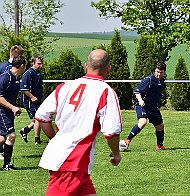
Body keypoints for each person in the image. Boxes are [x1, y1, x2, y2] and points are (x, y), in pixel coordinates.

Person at [35, 49, 122, 195]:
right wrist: (116, 153)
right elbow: (111, 132)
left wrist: (55, 139)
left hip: (69, 160)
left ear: (85, 66)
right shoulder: (105, 91)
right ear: (109, 68)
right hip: (73, 161)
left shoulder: (64, 86)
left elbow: (42, 116)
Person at [122, 62, 167, 151]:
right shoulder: (148, 80)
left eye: (161, 72)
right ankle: (127, 140)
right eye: (157, 72)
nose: (158, 74)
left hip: (152, 106)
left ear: (164, 72)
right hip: (142, 105)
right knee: (143, 122)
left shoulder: (162, 80)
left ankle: (159, 145)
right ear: (154, 71)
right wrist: (140, 100)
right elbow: (137, 91)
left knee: (160, 126)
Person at [0, 56, 26, 170]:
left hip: (7, 111)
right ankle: (6, 165)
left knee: (1, 138)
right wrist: (12, 108)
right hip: (2, 111)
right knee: (11, 135)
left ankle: (6, 164)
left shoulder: (16, 78)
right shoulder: (6, 77)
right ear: (22, 66)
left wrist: (14, 108)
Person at [19, 55, 44, 145]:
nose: (41, 66)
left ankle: (24, 130)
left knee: (40, 118)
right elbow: (24, 89)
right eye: (39, 64)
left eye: (42, 64)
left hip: (37, 101)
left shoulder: (39, 73)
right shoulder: (28, 73)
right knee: (38, 118)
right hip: (29, 101)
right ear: (33, 63)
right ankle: (37, 139)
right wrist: (32, 97)